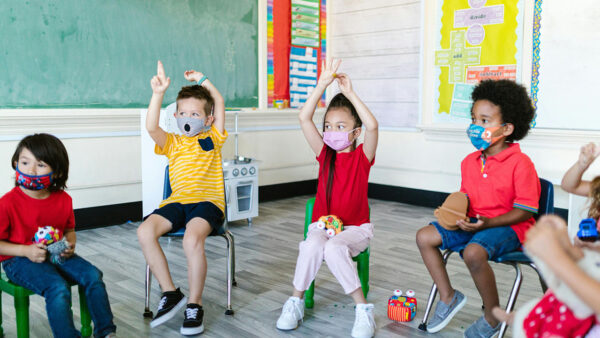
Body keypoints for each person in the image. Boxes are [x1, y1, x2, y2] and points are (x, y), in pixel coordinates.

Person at [416, 79, 540, 337]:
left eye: (484, 121)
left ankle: (492, 316)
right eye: (474, 119)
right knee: (425, 236)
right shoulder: (469, 162)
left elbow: (526, 210)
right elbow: (467, 199)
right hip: (476, 223)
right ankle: (448, 297)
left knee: (473, 253)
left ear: (506, 128)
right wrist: (453, 214)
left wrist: (488, 222)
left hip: (510, 226)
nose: (475, 126)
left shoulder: (521, 163)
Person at [276, 59, 379, 338]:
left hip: (356, 230)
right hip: (323, 227)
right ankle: (295, 302)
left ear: (355, 132)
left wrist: (351, 93)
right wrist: (322, 84)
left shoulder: (362, 158)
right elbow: (303, 118)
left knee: (334, 249)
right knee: (311, 247)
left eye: (340, 126)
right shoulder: (325, 156)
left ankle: (363, 310)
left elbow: (373, 126)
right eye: (329, 126)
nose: (332, 132)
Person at [137, 61, 227, 335]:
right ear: (175, 116)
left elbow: (219, 102)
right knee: (144, 231)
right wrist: (158, 93)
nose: (188, 117)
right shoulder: (172, 142)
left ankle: (194, 305)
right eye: (183, 112)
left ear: (208, 119)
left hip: (207, 203)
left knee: (191, 238)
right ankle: (170, 292)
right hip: (176, 203)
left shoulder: (214, 137)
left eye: (196, 113)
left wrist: (204, 80)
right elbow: (152, 127)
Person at [0, 133, 116, 338]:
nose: (31, 170)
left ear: (58, 172)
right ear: (16, 163)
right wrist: (25, 250)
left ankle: (106, 332)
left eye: (41, 165)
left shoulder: (64, 200)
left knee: (93, 275)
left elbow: (69, 231)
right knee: (57, 287)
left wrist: (70, 244)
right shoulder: (7, 203)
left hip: (56, 252)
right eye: (25, 162)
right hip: (17, 260)